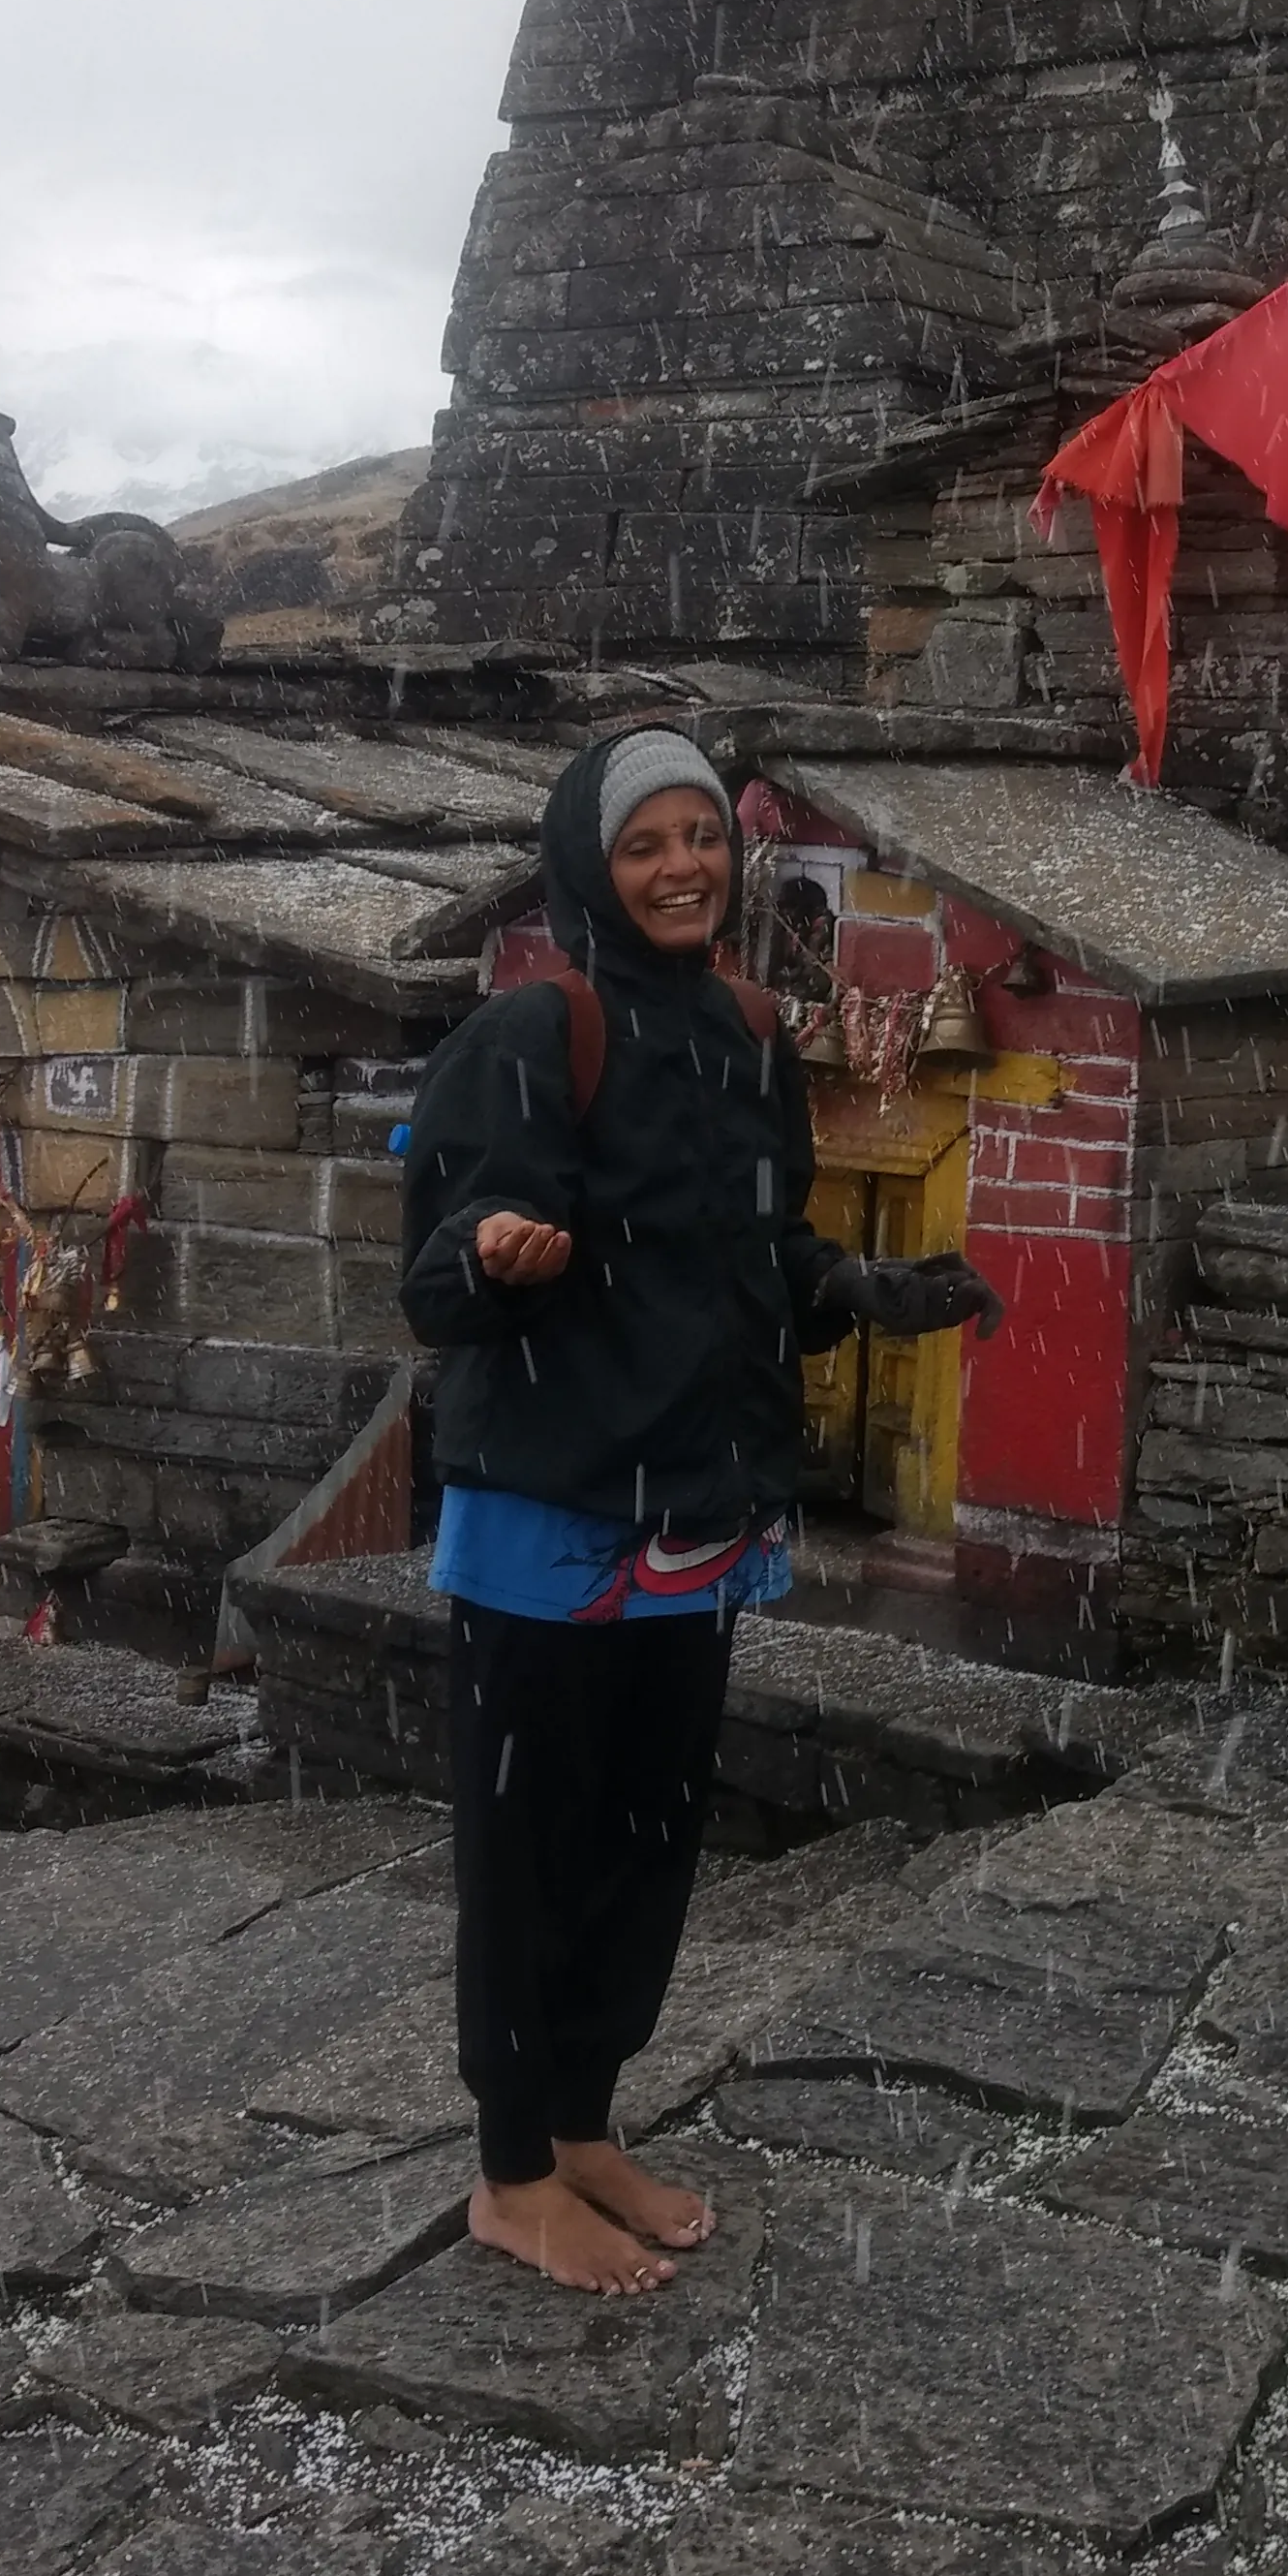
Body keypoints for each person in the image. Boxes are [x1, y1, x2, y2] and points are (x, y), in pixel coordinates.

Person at [400, 729, 1001, 2295]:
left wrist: (855, 1287)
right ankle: (511, 2171)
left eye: (703, 839)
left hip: (698, 1517)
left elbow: (757, 1252)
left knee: (648, 1837)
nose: (683, 868)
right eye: (648, 842)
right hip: (550, 1516)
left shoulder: (748, 1029)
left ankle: (586, 2119)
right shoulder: (536, 1030)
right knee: (526, 1848)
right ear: (589, 862)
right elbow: (433, 1273)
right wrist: (497, 1255)